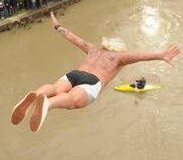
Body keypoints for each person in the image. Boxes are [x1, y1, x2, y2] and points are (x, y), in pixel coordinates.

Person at [11, 12, 180, 132]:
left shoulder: (92, 50)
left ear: (104, 44)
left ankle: (38, 94)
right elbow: (140, 56)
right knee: (72, 100)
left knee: (55, 89)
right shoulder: (119, 57)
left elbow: (71, 36)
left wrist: (57, 25)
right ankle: (48, 104)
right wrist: (161, 54)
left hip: (74, 74)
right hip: (92, 81)